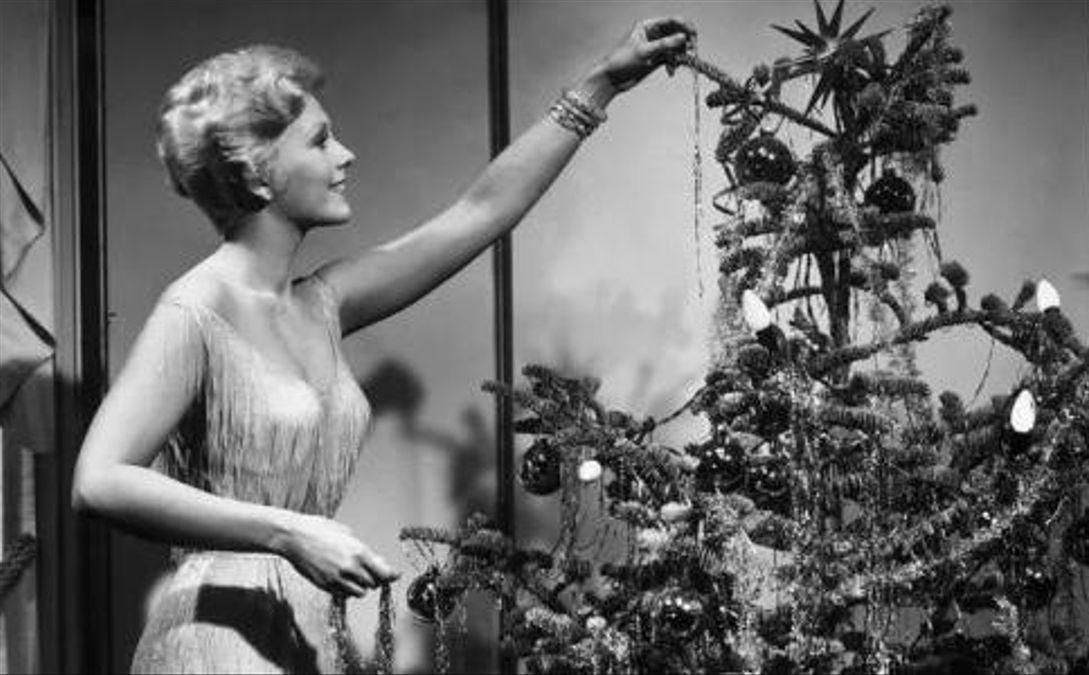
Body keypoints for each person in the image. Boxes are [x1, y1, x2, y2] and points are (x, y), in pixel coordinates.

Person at [71, 17, 695, 673]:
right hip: (217, 640)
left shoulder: (322, 302)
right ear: (257, 176)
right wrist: (285, 530)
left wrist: (602, 84)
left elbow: (479, 212)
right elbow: (99, 480)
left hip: (307, 630)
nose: (345, 155)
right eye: (319, 141)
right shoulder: (194, 311)